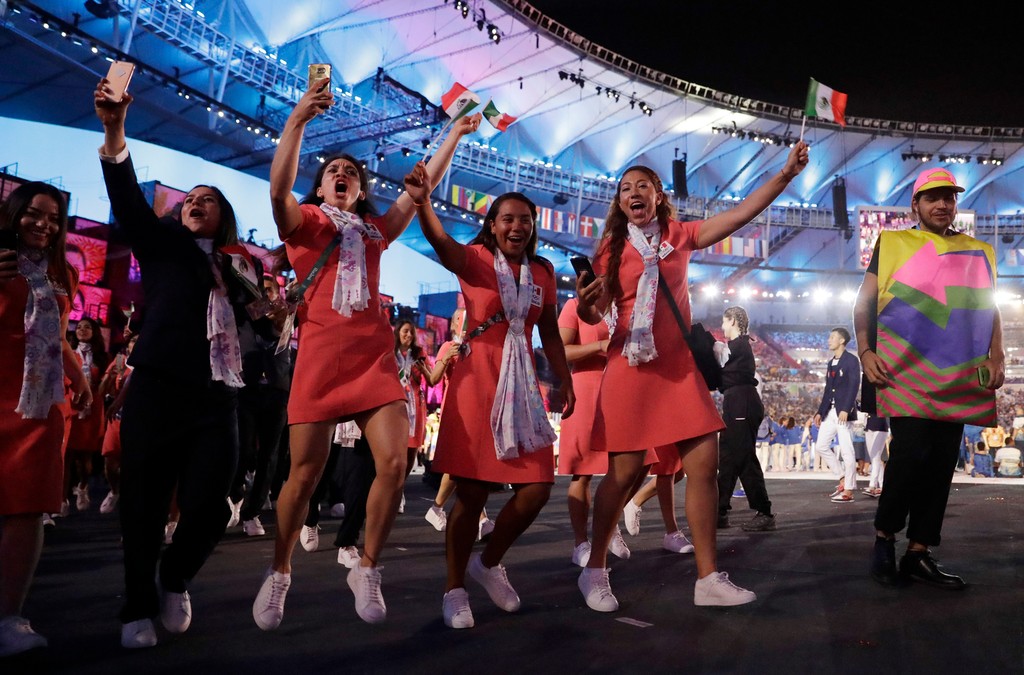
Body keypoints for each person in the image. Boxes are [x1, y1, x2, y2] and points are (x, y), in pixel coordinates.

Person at [252, 79, 479, 629]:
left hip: (373, 363)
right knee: (303, 476)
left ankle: (367, 568)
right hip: (319, 363)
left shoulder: (376, 230)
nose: (342, 174)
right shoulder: (304, 223)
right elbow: (279, 190)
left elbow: (421, 187)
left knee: (395, 464)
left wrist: (454, 133)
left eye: (351, 172)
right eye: (333, 170)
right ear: (321, 185)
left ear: (358, 188)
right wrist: (298, 119)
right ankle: (280, 571)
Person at [575, 141, 809, 611]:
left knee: (703, 465)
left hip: (678, 368)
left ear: (658, 195)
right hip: (630, 367)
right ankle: (594, 569)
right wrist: (584, 304)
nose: (633, 192)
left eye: (643, 185)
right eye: (625, 188)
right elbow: (595, 312)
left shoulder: (679, 235)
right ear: (620, 202)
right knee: (623, 474)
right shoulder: (610, 249)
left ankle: (707, 579)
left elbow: (740, 214)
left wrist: (785, 176)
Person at [95, 79, 265, 648]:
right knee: (143, 505)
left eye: (207, 199)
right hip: (158, 388)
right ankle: (137, 606)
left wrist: (276, 315)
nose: (195, 201)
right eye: (189, 197)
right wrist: (115, 129)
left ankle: (175, 576)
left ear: (224, 216)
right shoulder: (161, 246)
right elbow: (126, 198)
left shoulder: (241, 267)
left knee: (211, 506)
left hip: (218, 398)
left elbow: (263, 329)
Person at [412, 181, 574, 630]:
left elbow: (550, 333)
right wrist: (423, 203)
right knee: (471, 492)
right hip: (478, 380)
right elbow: (439, 239)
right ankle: (454, 589)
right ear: (492, 225)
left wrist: (565, 379)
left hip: (523, 387)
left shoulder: (542, 272)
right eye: (508, 219)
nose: (517, 226)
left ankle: (487, 563)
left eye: (525, 220)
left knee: (537, 487)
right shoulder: (476, 259)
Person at [857, 167, 1004, 589]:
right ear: (915, 205)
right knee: (908, 458)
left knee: (941, 465)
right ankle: (884, 539)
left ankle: (918, 552)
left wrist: (998, 353)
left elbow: (989, 308)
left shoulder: (976, 252)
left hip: (957, 375)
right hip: (905, 373)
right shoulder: (892, 244)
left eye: (949, 197)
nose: (942, 204)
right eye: (933, 197)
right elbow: (864, 302)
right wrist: (865, 350)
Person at [0, 182, 91, 657]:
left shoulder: (63, 273)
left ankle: (9, 617)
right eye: (34, 214)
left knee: (29, 508)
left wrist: (81, 376)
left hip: (39, 405)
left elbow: (56, 334)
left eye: (55, 219)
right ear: (13, 214)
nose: (44, 225)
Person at [558, 297, 640, 565]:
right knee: (583, 471)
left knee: (641, 462)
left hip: (622, 387)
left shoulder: (626, 305)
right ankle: (580, 543)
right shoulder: (575, 306)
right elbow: (561, 350)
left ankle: (609, 524)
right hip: (586, 388)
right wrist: (599, 346)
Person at [715, 306, 775, 532]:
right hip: (735, 402)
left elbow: (716, 364)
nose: (722, 326)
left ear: (732, 321)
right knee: (727, 458)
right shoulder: (737, 346)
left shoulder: (738, 345)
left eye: (724, 321)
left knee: (744, 457)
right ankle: (719, 511)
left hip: (742, 401)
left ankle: (764, 512)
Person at [65, 315, 109, 512]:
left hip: (92, 410)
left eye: (87, 327)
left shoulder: (102, 357)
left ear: (94, 332)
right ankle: (62, 498)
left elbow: (105, 388)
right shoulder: (68, 353)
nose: (82, 330)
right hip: (71, 407)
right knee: (67, 454)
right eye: (79, 327)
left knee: (85, 458)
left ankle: (83, 485)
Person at [812, 327, 861, 503]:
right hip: (829, 412)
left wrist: (846, 408)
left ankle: (849, 489)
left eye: (832, 337)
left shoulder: (851, 360)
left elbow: (854, 385)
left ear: (842, 341)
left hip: (843, 412)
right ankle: (842, 477)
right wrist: (820, 411)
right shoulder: (830, 362)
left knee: (847, 450)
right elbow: (828, 390)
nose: (829, 340)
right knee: (821, 446)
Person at [96, 332, 138, 514]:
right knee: (111, 463)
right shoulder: (121, 362)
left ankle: (132, 503)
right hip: (118, 418)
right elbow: (102, 391)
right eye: (133, 340)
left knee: (134, 465)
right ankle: (114, 491)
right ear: (127, 345)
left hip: (140, 421)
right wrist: (108, 379)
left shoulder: (150, 363)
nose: (136, 343)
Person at [394, 318, 431, 513]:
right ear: (398, 332)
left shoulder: (419, 353)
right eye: (405, 331)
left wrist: (422, 366)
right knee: (395, 451)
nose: (409, 335)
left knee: (411, 452)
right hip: (395, 405)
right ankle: (391, 489)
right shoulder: (390, 352)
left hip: (416, 406)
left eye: (411, 332)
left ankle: (399, 489)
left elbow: (432, 379)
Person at [861, 414, 888, 497]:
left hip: (880, 427)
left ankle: (872, 485)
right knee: (874, 458)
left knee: (875, 457)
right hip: (868, 425)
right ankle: (882, 484)